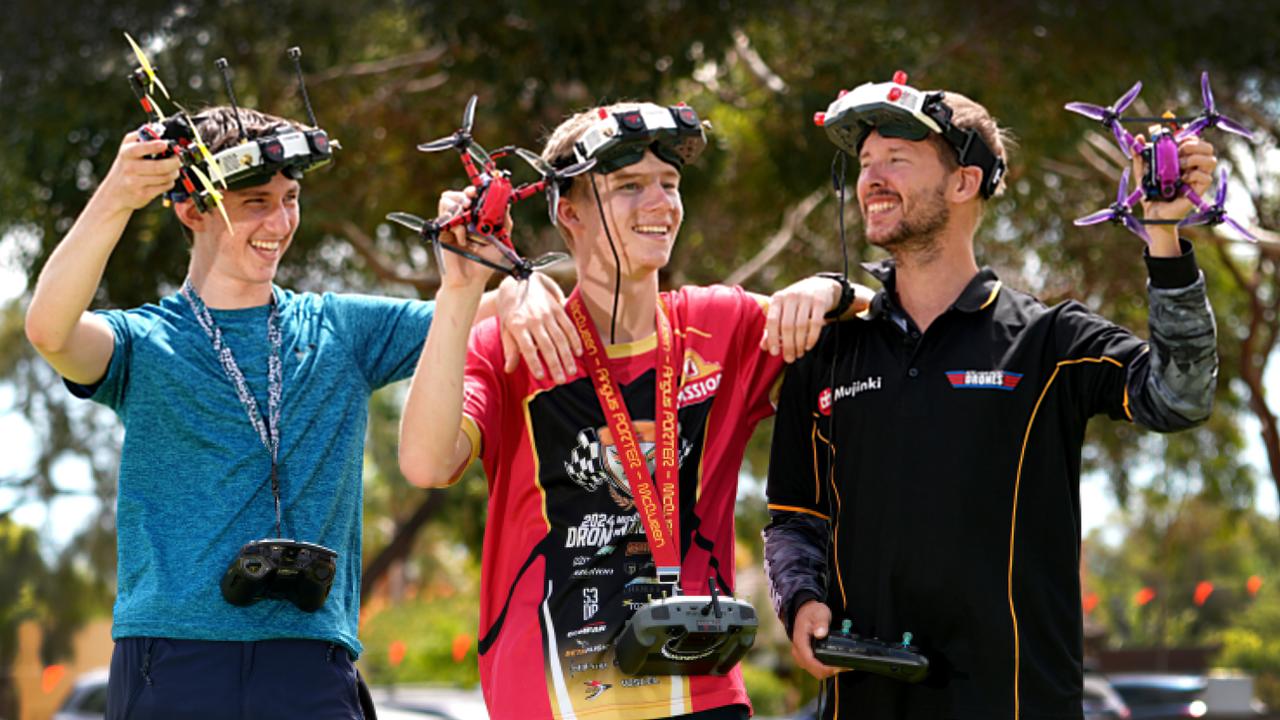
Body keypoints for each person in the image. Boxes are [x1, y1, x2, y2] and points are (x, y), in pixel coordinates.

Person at [24, 104, 571, 719]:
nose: (280, 221)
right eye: (256, 201)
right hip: (173, 661)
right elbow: (49, 330)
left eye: (290, 197)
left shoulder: (341, 327)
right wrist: (116, 197)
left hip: (311, 664)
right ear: (191, 208)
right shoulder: (144, 343)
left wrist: (523, 282)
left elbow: (480, 304)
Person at [398, 101, 872, 720]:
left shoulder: (719, 324)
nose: (661, 202)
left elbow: (882, 342)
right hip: (551, 700)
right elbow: (426, 463)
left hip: (701, 691)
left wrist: (832, 291)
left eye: (669, 184)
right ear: (569, 213)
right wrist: (461, 292)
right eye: (628, 186)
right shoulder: (517, 345)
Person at [763, 78, 1218, 719]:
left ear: (963, 182)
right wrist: (800, 600)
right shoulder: (827, 349)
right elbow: (794, 518)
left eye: (896, 158)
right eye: (864, 163)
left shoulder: (1049, 341)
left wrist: (1166, 242)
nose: (871, 179)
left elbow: (1179, 396)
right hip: (862, 700)